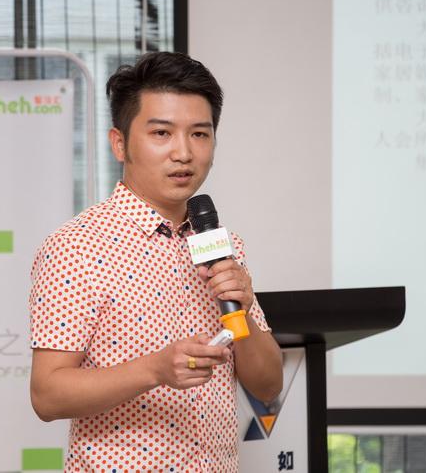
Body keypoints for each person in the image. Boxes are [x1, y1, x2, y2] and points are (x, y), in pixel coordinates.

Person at [29, 51, 283, 472]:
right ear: (120, 143)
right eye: (162, 133)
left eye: (199, 134)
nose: (183, 152)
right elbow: (47, 395)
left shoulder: (221, 244)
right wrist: (154, 370)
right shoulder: (76, 247)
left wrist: (243, 310)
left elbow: (268, 384)